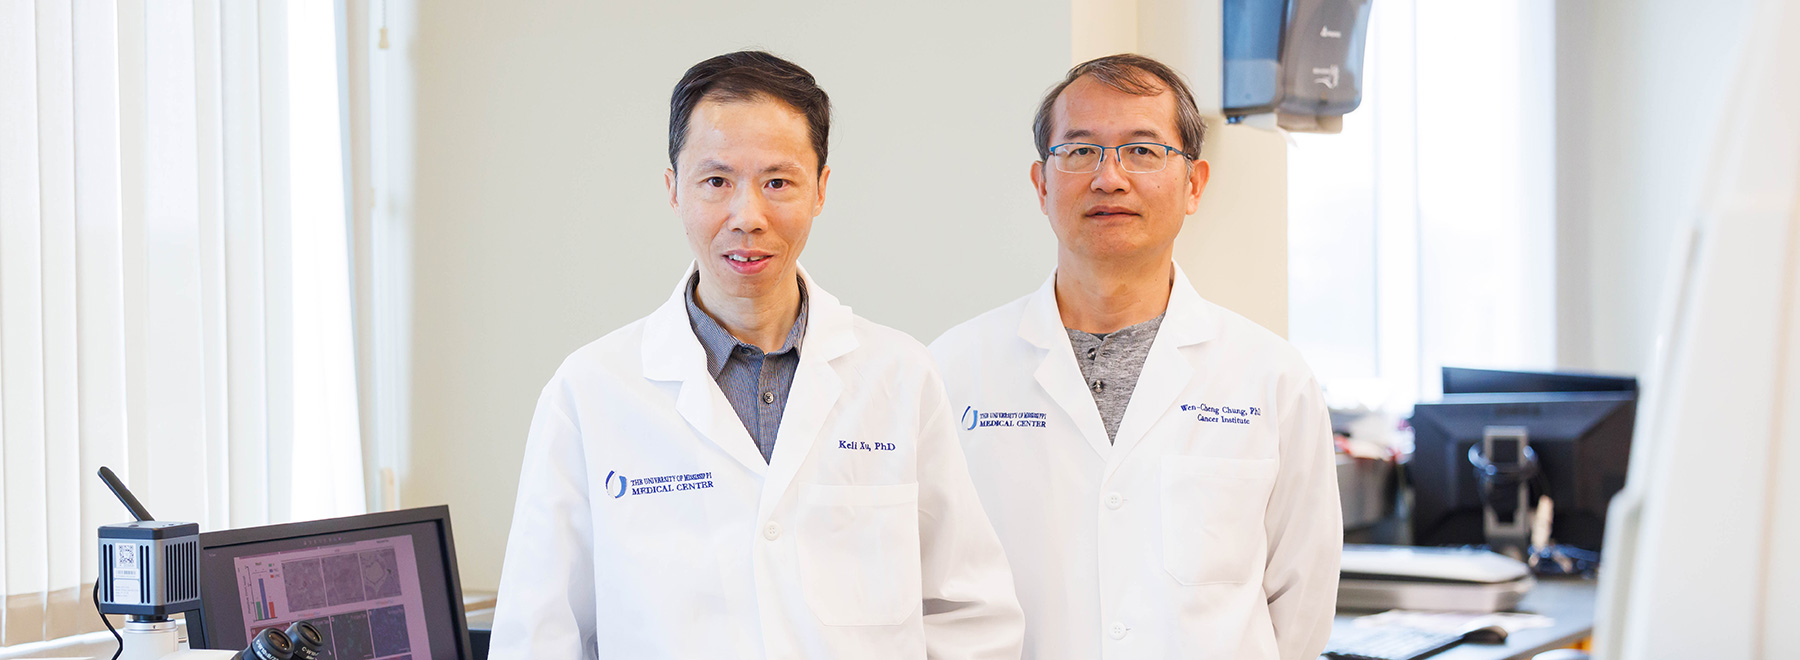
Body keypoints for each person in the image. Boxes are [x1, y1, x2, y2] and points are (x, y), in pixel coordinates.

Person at [489, 51, 1025, 659]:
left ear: (821, 189)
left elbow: (971, 615)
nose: (748, 216)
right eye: (716, 182)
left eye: (777, 182)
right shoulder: (590, 391)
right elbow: (538, 638)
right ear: (673, 190)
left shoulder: (899, 375)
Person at [929, 53, 1341, 659]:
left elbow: (1300, 605)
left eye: (1143, 151)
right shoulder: (952, 370)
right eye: (1081, 151)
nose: (1110, 178)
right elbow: (929, 591)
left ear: (1194, 184)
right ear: (1042, 184)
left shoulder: (1271, 379)